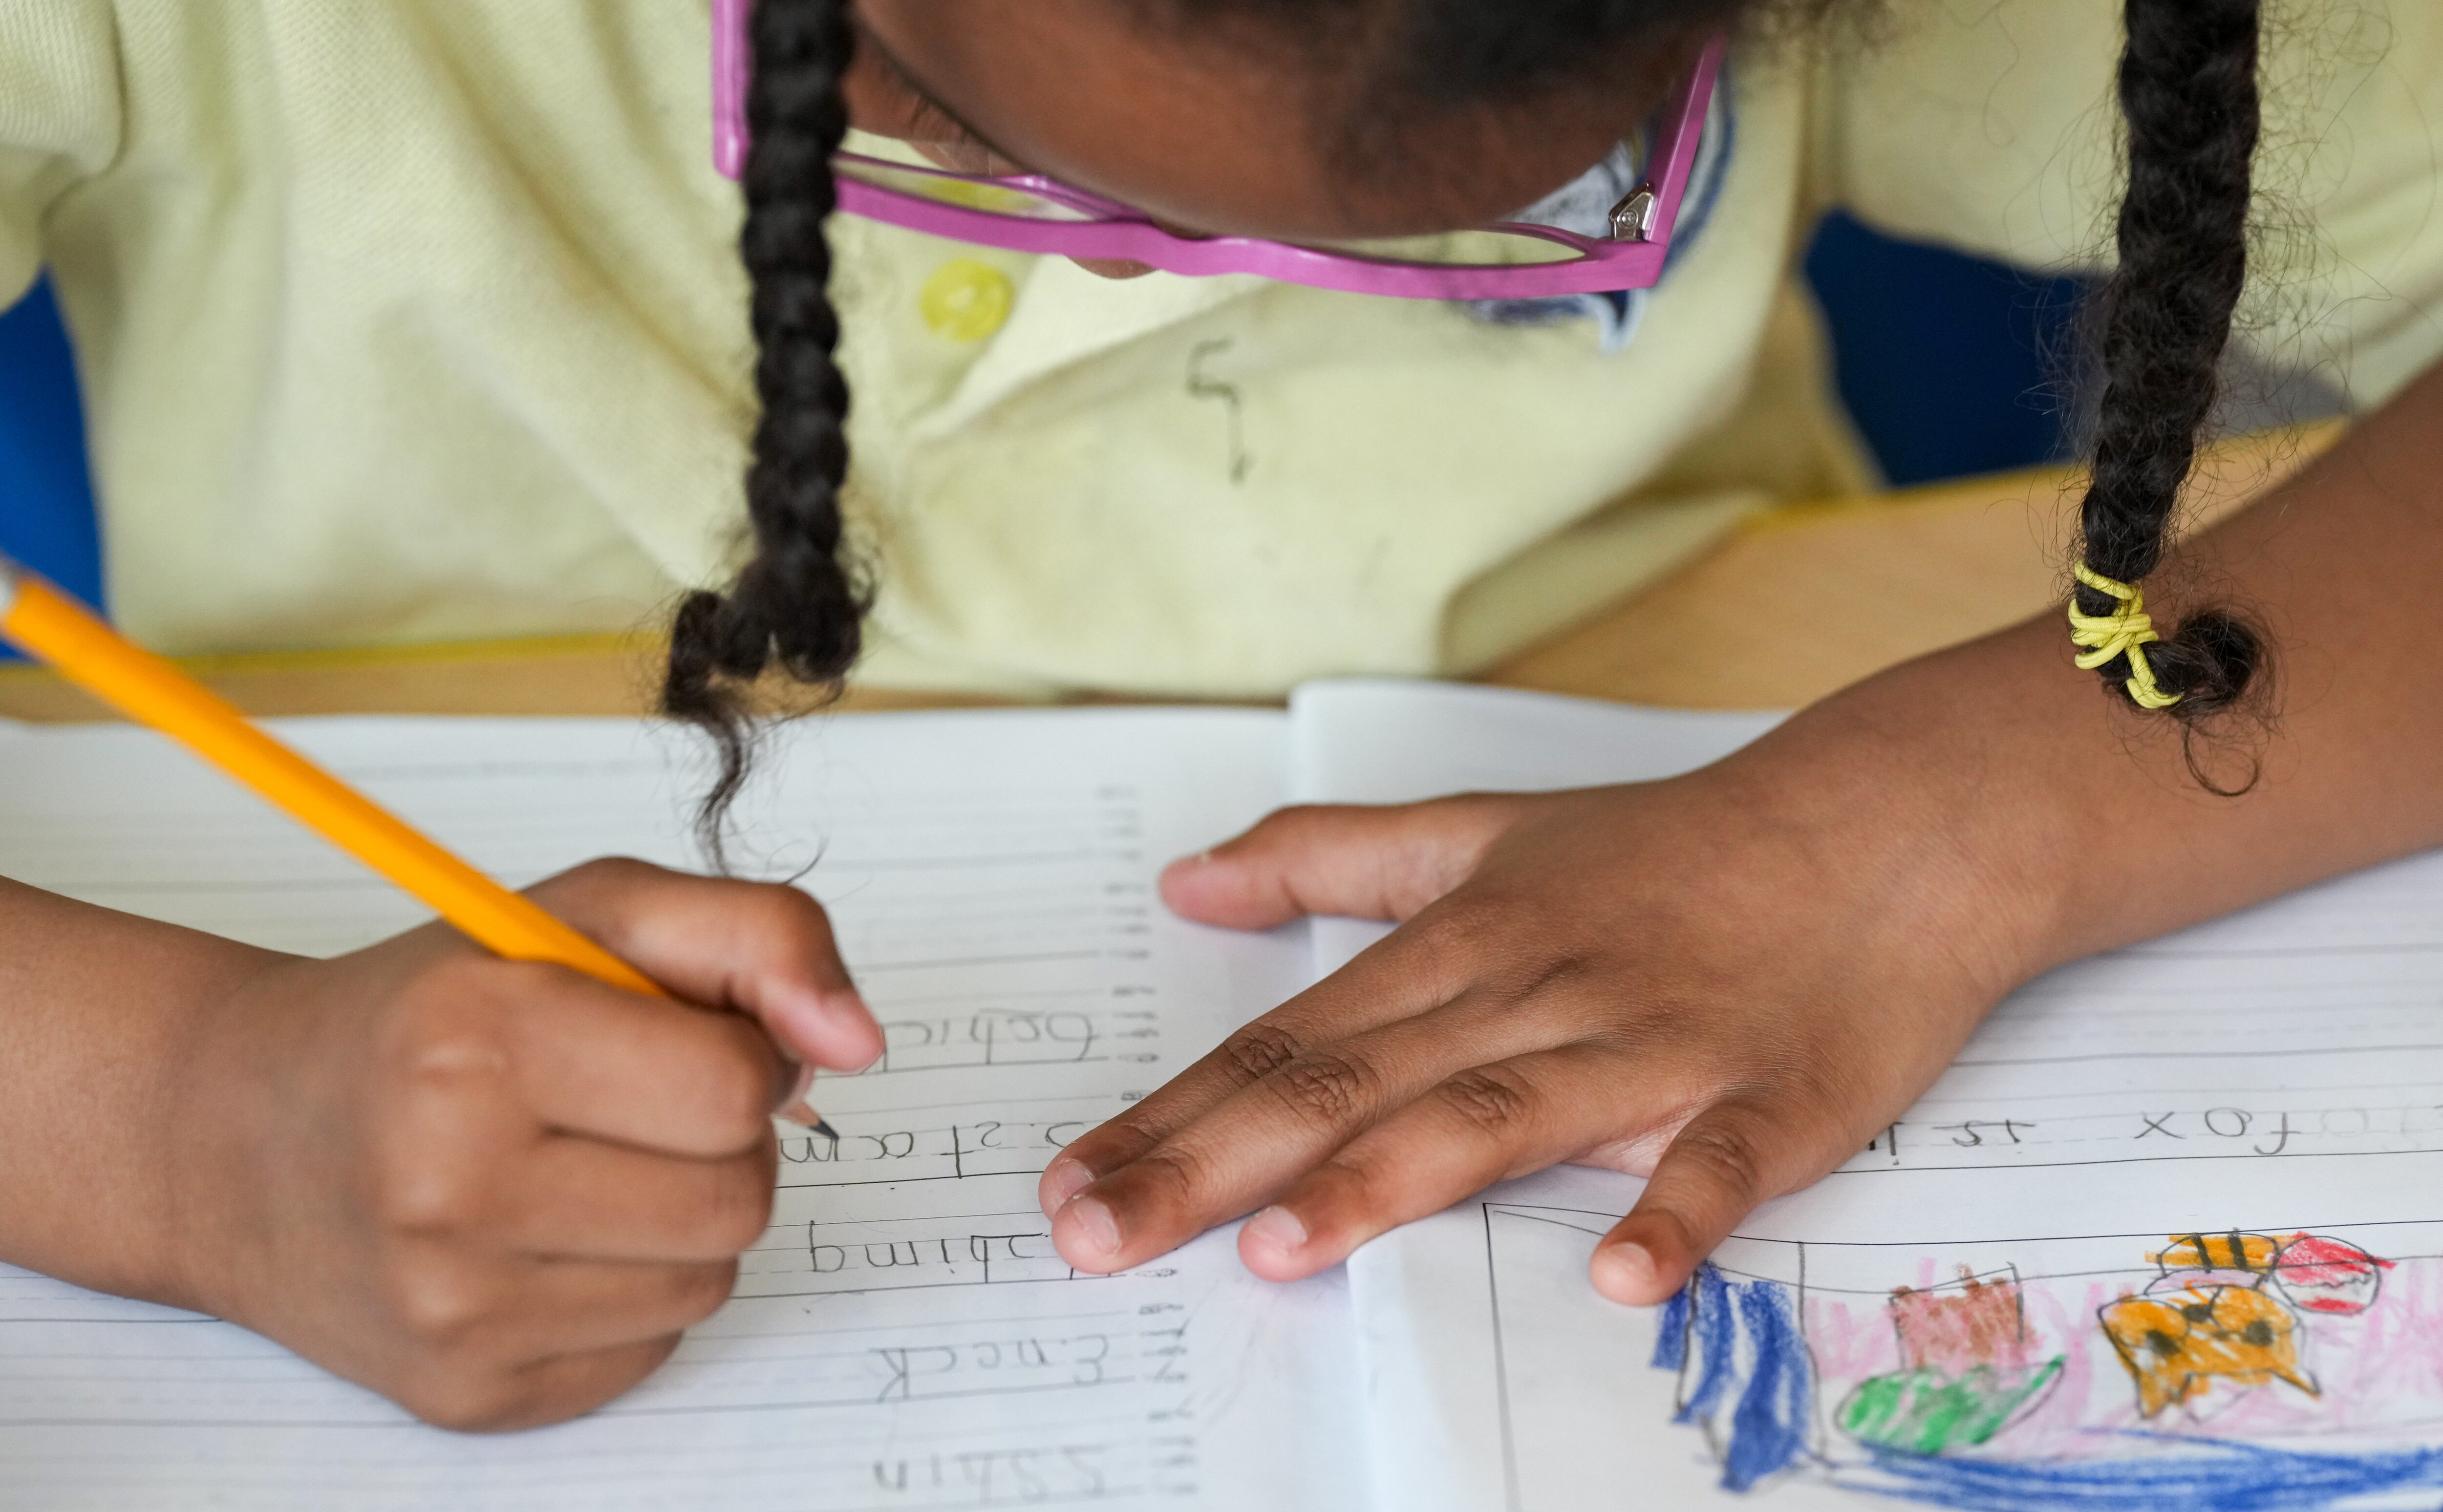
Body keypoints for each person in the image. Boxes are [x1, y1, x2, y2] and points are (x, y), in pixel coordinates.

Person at [1, 0, 2438, 1430]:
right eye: (938, 131)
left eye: (1539, 185)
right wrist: (180, 1117)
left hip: (1674, 684)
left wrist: (1969, 813)